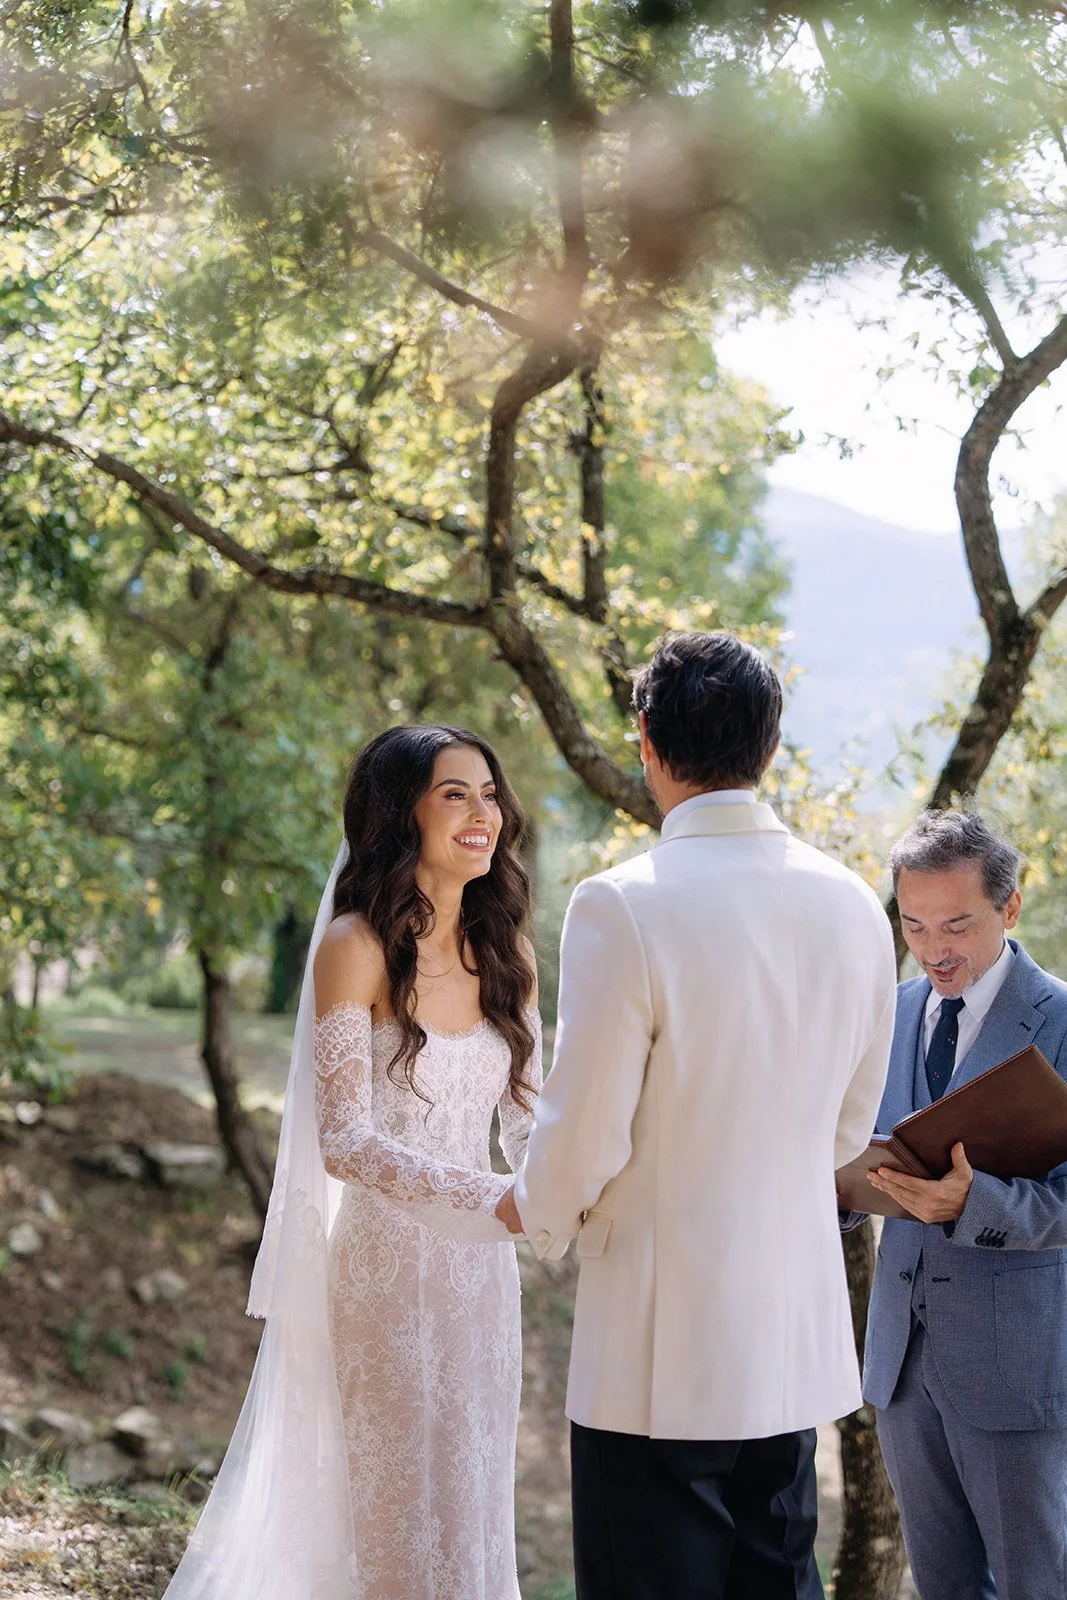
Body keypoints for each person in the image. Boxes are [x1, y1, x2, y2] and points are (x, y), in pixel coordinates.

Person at [511, 631, 898, 1600]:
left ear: (643, 737)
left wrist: (539, 1213)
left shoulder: (621, 905)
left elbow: (585, 1131)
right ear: (769, 745)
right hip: (788, 1337)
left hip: (656, 1341)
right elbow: (846, 1133)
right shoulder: (854, 905)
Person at [161, 724, 541, 1600]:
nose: (482, 813)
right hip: (385, 1269)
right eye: (455, 794)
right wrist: (498, 1199)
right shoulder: (354, 947)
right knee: (395, 1512)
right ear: (398, 813)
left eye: (489, 793)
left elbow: (528, 1119)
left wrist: (571, 1190)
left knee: (475, 1499)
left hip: (485, 1276)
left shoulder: (507, 951)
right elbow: (346, 1142)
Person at [848, 810, 1067, 1600]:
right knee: (940, 1587)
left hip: (1016, 1367)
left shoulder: (1062, 1020)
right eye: (912, 925)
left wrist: (977, 1202)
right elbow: (865, 1146)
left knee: (1033, 1583)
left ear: (1008, 910)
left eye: (956, 925)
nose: (933, 949)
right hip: (902, 1363)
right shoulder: (892, 1011)